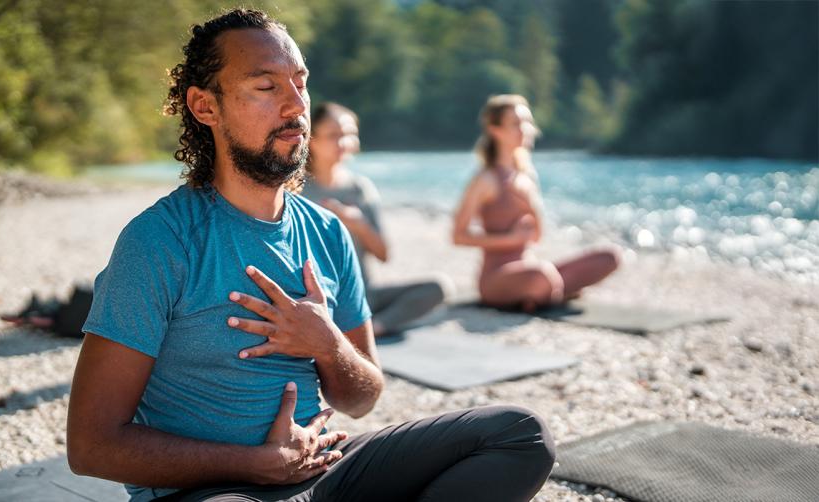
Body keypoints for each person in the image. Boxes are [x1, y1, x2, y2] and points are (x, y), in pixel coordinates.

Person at [66, 10, 554, 502]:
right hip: (213, 491)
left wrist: (328, 345)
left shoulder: (326, 232)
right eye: (266, 87)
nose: (296, 105)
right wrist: (254, 465)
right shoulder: (159, 241)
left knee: (519, 435)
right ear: (204, 106)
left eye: (300, 83)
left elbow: (362, 399)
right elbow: (91, 446)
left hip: (321, 471)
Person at [453, 94, 619, 312]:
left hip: (529, 269)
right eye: (516, 123)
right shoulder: (486, 179)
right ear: (495, 130)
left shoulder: (527, 175)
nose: (525, 129)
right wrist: (509, 239)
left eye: (527, 122)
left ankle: (543, 293)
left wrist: (532, 207)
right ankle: (547, 292)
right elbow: (458, 236)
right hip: (496, 279)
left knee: (610, 256)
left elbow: (536, 237)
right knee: (542, 275)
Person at [301, 102, 450, 337]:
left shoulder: (360, 189)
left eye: (349, 134)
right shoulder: (296, 190)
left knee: (438, 288)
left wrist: (358, 224)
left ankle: (372, 328)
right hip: (315, 297)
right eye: (333, 135)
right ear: (311, 139)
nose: (343, 142)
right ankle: (349, 330)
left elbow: (383, 254)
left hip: (362, 296)